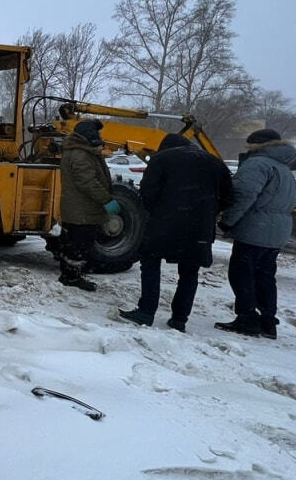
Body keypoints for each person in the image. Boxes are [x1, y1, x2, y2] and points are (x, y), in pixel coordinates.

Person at [117, 134, 233, 332]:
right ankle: (179, 319)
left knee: (151, 265)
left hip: (164, 223)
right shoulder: (215, 163)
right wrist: (207, 213)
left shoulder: (161, 159)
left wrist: (158, 211)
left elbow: (147, 192)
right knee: (189, 272)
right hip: (199, 228)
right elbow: (229, 197)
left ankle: (146, 312)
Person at [215, 128, 296, 339]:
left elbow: (243, 195)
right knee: (265, 276)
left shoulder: (257, 164)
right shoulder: (285, 169)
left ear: (257, 145)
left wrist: (226, 221)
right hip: (277, 233)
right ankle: (268, 321)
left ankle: (247, 319)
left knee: (241, 274)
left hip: (255, 230)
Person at [58, 119, 119, 291]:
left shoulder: (83, 152)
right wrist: (106, 200)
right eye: (97, 133)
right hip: (82, 210)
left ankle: (71, 274)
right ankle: (71, 277)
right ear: (89, 135)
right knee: (79, 244)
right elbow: (87, 183)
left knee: (76, 243)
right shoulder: (80, 154)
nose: (99, 136)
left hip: (81, 209)